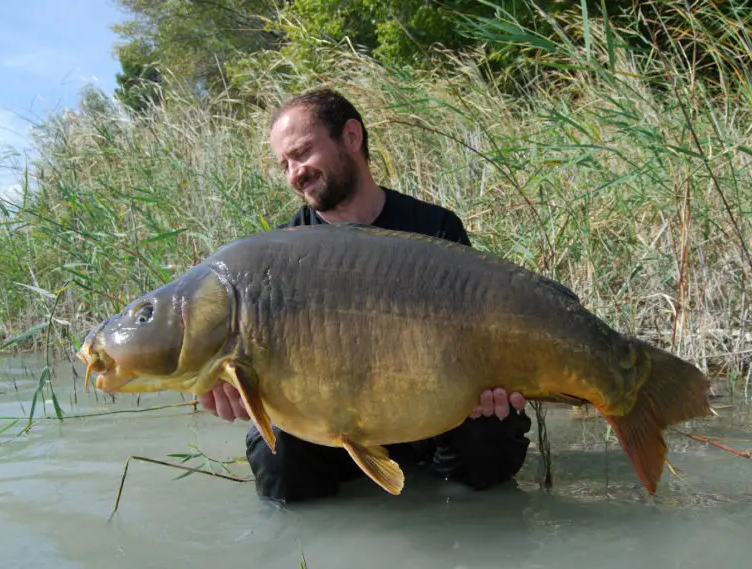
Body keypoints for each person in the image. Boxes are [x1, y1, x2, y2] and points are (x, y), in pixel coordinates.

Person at [199, 87, 532, 503]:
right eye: (284, 164)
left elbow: (481, 332)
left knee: (492, 441)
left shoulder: (434, 228)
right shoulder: (282, 258)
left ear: (351, 138)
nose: (293, 173)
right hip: (334, 425)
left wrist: (492, 388)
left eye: (302, 153)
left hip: (433, 416)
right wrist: (242, 393)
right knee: (277, 459)